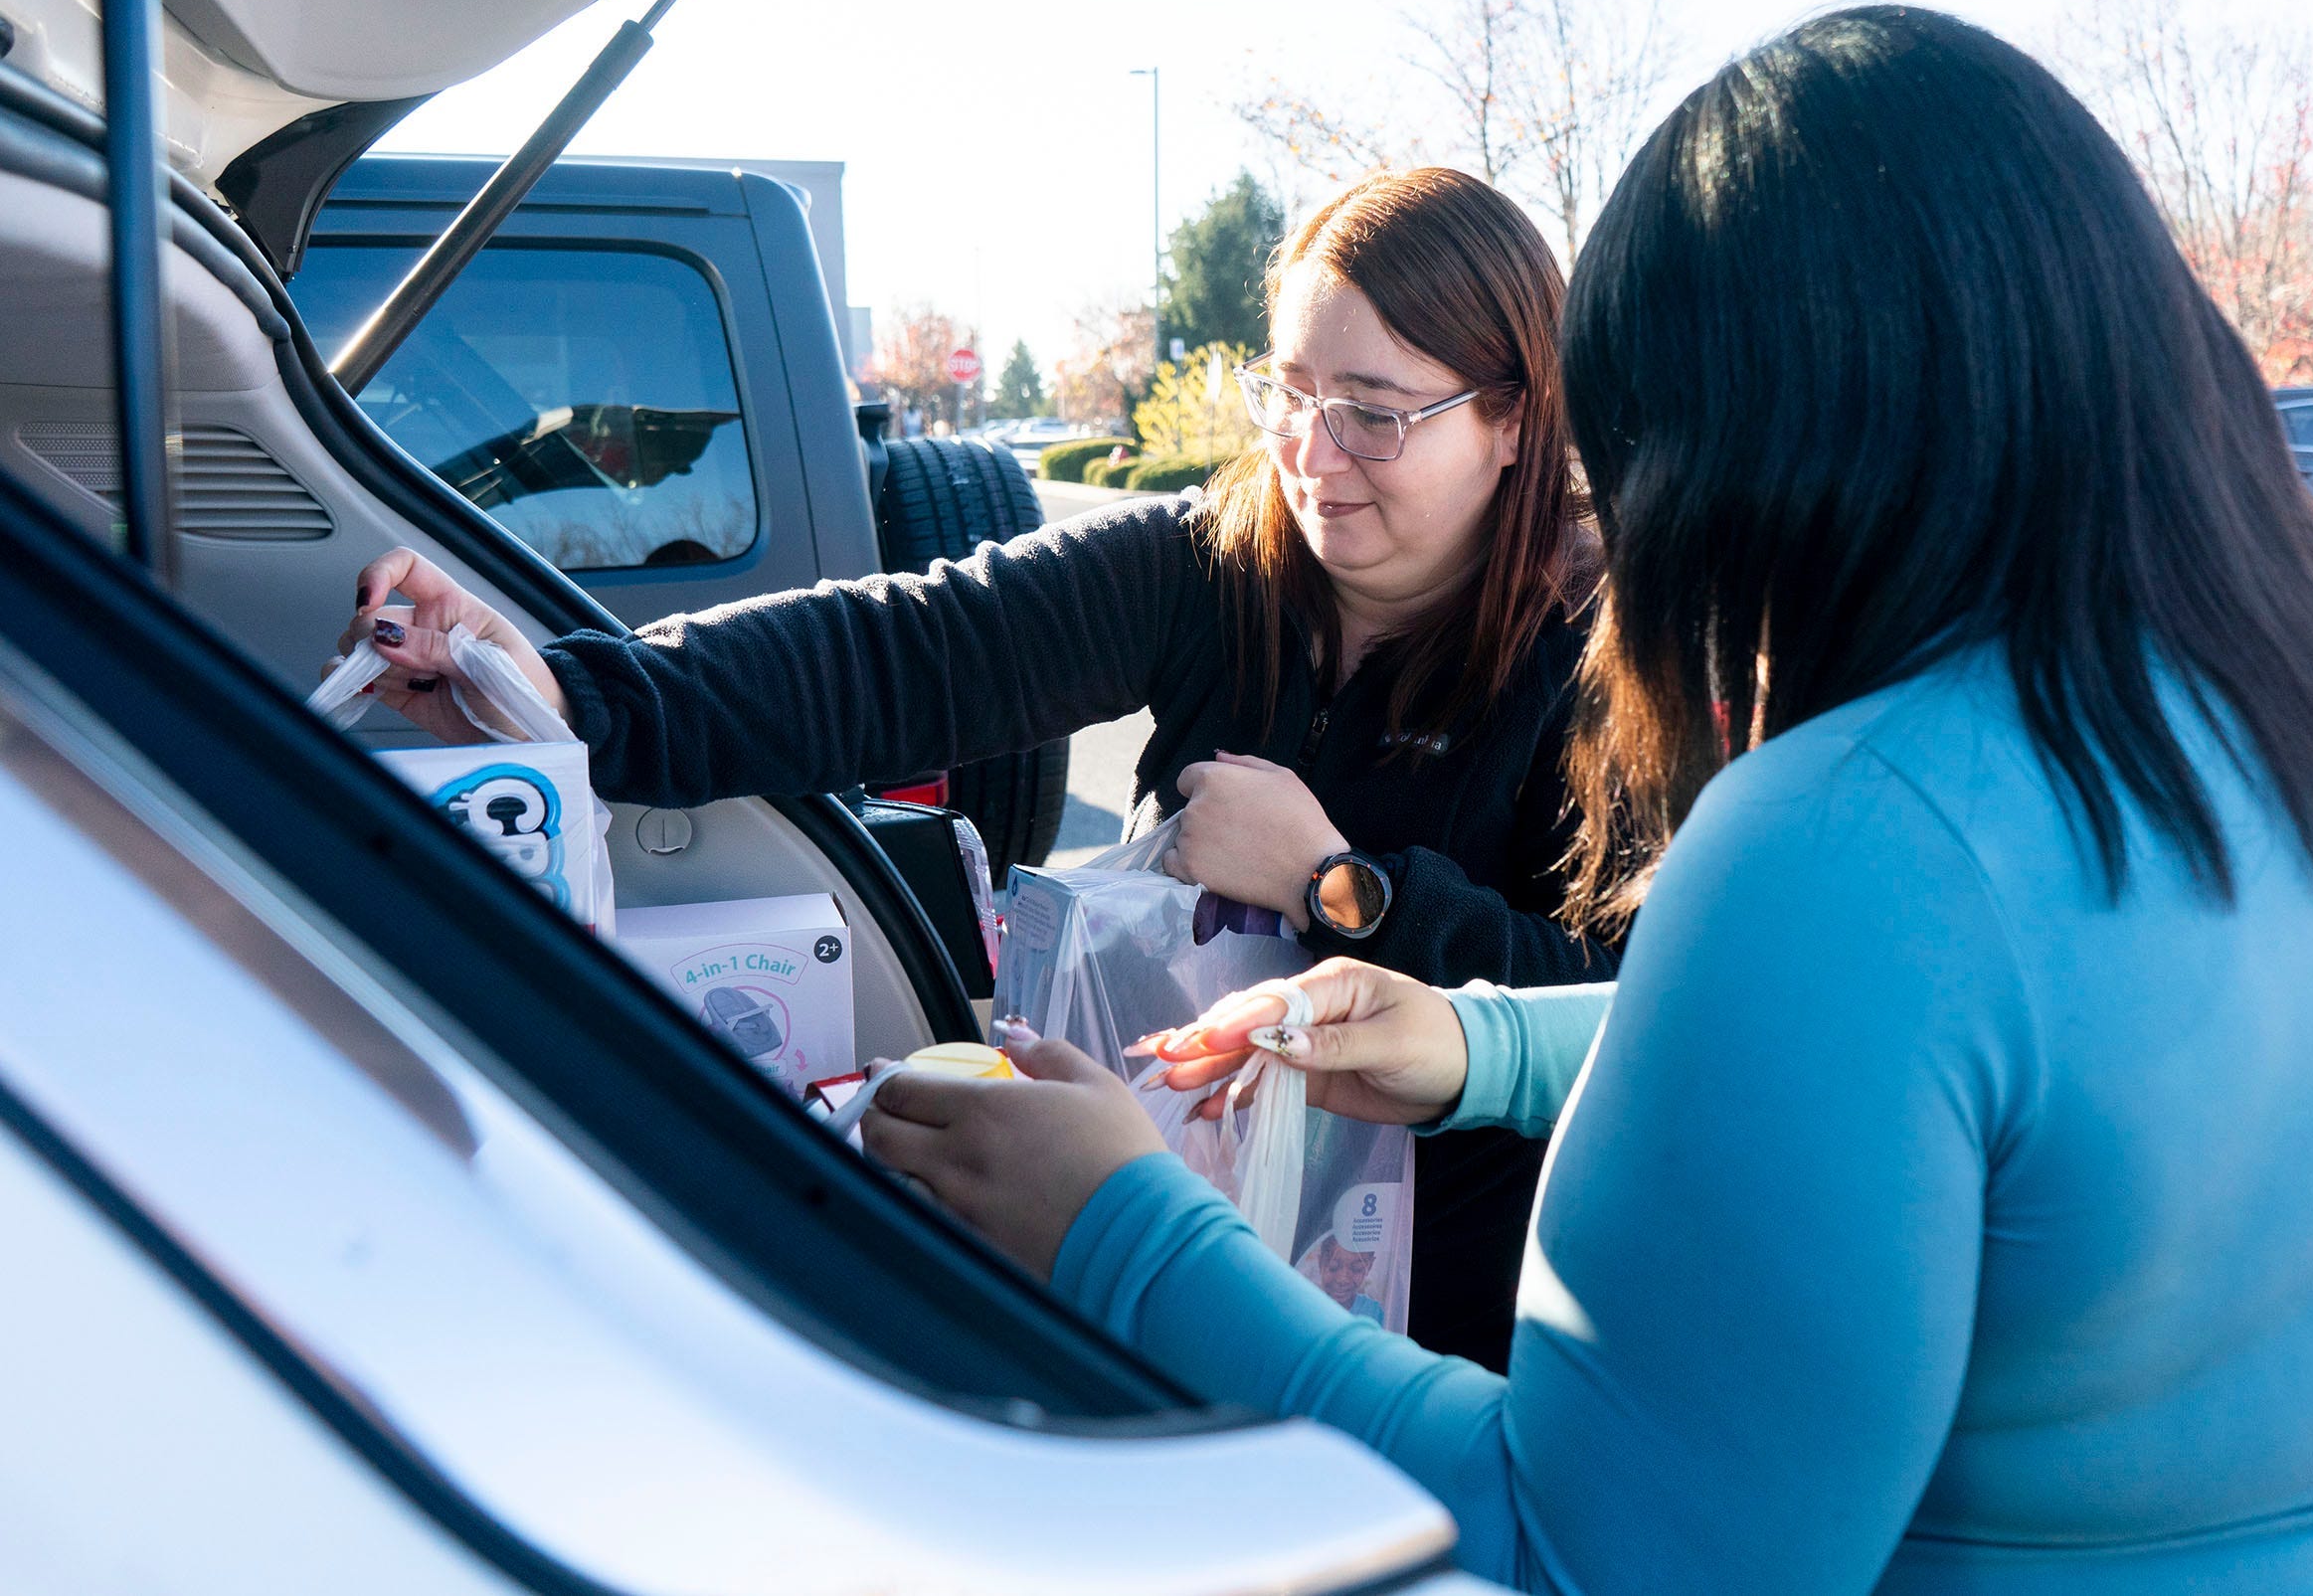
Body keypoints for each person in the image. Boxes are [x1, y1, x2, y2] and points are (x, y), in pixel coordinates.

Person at [852, 7, 2313, 1595]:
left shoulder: (1851, 840)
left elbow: (1593, 1553)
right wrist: (1486, 1046)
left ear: (1762, 462)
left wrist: (1119, 1230)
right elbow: (2003, 1086)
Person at [336, 166, 1612, 1372]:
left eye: (1374, 416)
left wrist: (1343, 889)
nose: (1311, 458)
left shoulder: (1612, 662)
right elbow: (904, 652)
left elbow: (1625, 1017)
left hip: (1451, 1329)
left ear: (1514, 420)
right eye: (1288, 395)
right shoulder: (1211, 566)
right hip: (1182, 1255)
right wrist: (567, 693)